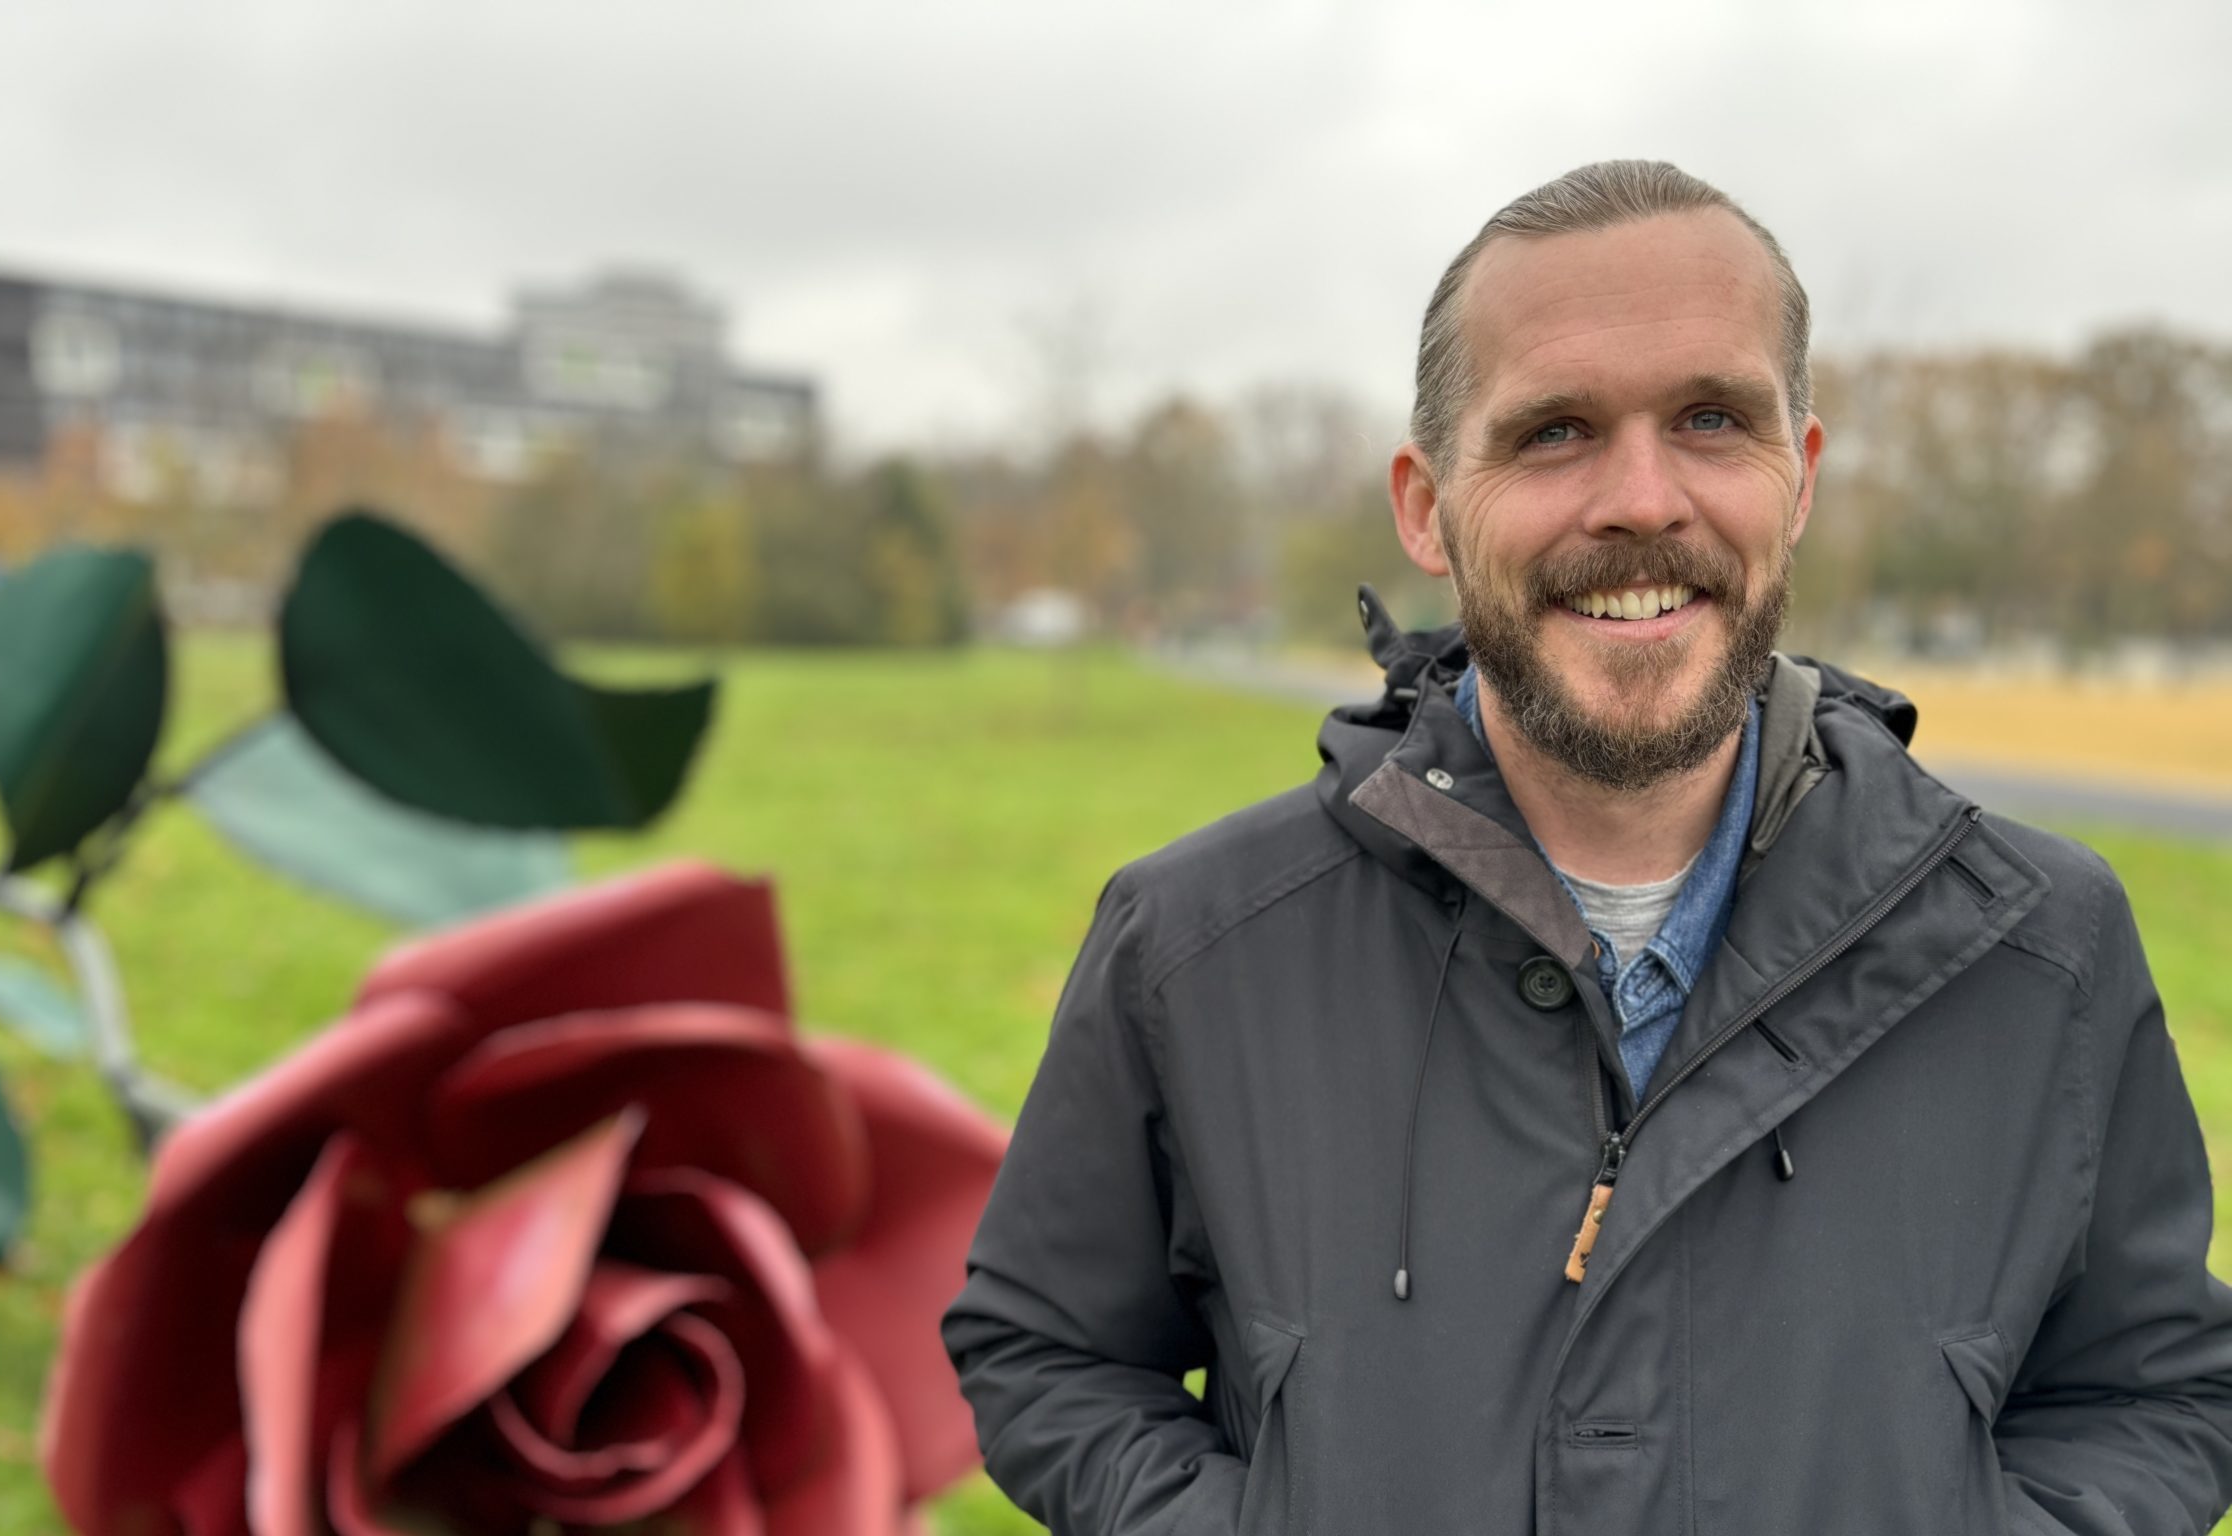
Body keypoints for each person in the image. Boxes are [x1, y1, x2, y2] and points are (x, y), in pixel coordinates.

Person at [940, 160, 2232, 1535]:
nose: (1640, 499)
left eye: (1711, 419)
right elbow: (1050, 1352)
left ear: (1796, 478)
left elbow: (2150, 1396)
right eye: (1555, 431)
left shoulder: (2040, 947)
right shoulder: (1191, 951)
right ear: (1427, 505)